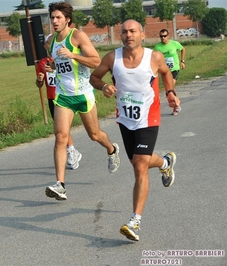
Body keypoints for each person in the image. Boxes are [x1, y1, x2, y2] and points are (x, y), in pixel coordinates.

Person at [90, 20, 179, 241]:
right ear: (120, 36)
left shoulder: (154, 57)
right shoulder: (113, 58)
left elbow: (167, 74)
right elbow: (94, 77)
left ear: (141, 35)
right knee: (139, 161)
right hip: (125, 119)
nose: (128, 35)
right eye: (124, 32)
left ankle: (135, 221)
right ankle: (165, 163)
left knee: (140, 164)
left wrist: (170, 93)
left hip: (149, 117)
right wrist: (103, 86)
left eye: (133, 31)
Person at [44, 2, 120, 201]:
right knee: (61, 137)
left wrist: (73, 55)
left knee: (94, 134)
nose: (54, 21)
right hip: (63, 97)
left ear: (67, 19)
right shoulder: (50, 41)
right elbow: (55, 63)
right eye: (52, 17)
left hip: (83, 94)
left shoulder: (77, 36)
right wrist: (52, 68)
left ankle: (112, 150)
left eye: (58, 17)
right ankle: (60, 185)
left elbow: (96, 61)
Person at [36, 34, 82, 170]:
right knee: (61, 129)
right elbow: (39, 84)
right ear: (45, 46)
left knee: (64, 129)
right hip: (52, 98)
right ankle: (72, 151)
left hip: (65, 95)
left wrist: (55, 70)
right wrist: (39, 80)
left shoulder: (64, 57)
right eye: (48, 43)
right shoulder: (42, 63)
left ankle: (72, 151)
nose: (50, 45)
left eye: (52, 42)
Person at [154, 29, 185, 115]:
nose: (163, 38)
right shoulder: (157, 47)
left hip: (174, 68)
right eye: (161, 36)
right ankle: (176, 105)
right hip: (164, 71)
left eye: (164, 36)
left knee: (171, 86)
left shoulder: (174, 44)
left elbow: (183, 49)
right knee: (170, 88)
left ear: (168, 36)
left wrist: (182, 61)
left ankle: (175, 106)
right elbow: (154, 58)